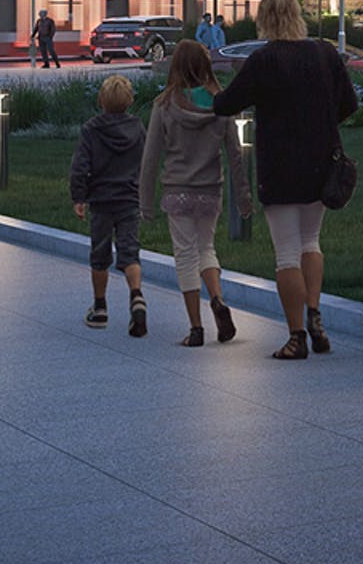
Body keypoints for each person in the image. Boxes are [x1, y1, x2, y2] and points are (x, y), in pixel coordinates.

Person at [213, 0, 357, 361]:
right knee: (312, 242)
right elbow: (349, 103)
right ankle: (315, 315)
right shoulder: (325, 53)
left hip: (281, 167)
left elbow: (227, 103)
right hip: (322, 164)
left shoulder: (265, 60)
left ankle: (296, 337)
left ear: (264, 18)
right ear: (297, 13)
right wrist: (323, 125)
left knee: (286, 254)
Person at [138, 39, 245, 347]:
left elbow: (150, 157)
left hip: (177, 190)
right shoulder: (220, 103)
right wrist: (244, 196)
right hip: (210, 190)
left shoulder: (164, 105)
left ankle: (196, 329)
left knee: (185, 256)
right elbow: (235, 152)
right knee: (206, 248)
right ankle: (218, 300)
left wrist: (145, 204)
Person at [70, 75, 148, 336]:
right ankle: (136, 296)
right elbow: (145, 163)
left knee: (100, 254)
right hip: (129, 198)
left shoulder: (92, 129)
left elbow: (80, 166)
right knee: (130, 251)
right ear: (130, 101)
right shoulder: (138, 128)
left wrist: (78, 197)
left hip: (101, 201)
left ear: (100, 100)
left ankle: (100, 307)